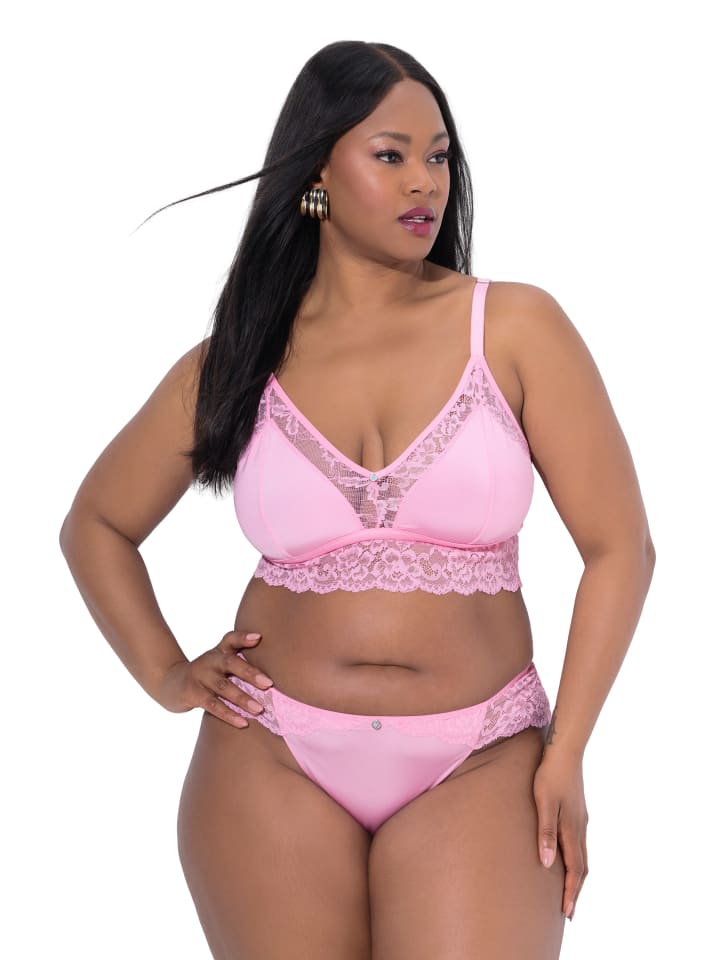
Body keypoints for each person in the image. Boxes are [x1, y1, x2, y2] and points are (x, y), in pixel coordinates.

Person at [59, 39, 656, 960]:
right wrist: (168, 673)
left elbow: (621, 548)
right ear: (316, 174)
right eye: (390, 154)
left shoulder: (514, 327)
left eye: (439, 157)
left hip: (484, 754)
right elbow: (96, 525)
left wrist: (568, 750)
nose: (425, 182)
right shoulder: (240, 361)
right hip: (269, 756)